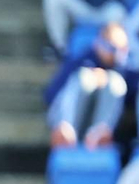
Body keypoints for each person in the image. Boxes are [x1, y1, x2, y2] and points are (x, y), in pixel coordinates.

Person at [45, 20, 130, 149]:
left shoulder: (125, 69)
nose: (117, 54)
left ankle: (99, 135)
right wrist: (92, 76)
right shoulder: (80, 60)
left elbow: (133, 96)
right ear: (99, 42)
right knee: (84, 77)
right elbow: (50, 95)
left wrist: (106, 78)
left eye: (122, 49)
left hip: (99, 124)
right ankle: (65, 132)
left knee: (115, 81)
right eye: (112, 48)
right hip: (64, 115)